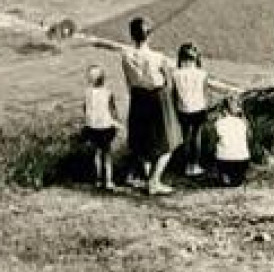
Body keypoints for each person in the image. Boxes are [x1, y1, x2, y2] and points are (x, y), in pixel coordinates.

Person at [120, 17, 177, 196]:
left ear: (132, 35)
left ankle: (146, 177)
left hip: (138, 96)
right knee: (168, 141)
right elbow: (168, 82)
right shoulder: (158, 58)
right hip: (157, 97)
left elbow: (128, 81)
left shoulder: (125, 55)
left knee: (141, 141)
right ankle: (154, 180)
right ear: (149, 35)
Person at [170, 43, 213, 177]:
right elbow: (205, 94)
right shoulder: (203, 74)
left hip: (183, 108)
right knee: (196, 137)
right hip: (199, 107)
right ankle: (195, 165)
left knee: (185, 137)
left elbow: (174, 95)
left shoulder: (175, 74)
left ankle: (185, 165)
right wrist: (206, 108)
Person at [81, 65, 119, 190]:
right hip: (105, 127)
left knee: (96, 153)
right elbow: (113, 110)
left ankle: (97, 180)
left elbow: (85, 109)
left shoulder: (87, 93)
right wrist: (117, 122)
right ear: (104, 79)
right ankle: (108, 181)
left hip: (91, 126)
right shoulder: (108, 92)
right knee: (107, 154)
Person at [211, 96, 251, 188]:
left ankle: (225, 175)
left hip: (224, 159)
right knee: (237, 180)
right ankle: (236, 177)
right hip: (242, 160)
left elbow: (213, 142)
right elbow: (249, 138)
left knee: (220, 149)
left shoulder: (219, 122)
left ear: (224, 110)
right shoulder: (243, 122)